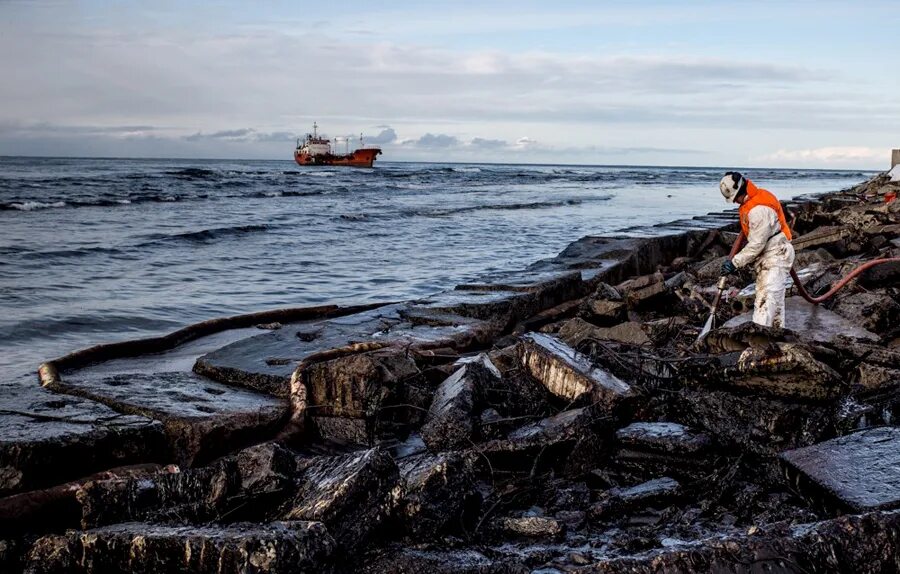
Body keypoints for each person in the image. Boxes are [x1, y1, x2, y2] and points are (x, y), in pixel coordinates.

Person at [718, 171, 795, 328]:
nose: (734, 203)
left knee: (764, 304)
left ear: (740, 191)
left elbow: (756, 245)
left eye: (734, 199)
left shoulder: (758, 210)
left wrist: (734, 263)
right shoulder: (757, 197)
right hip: (774, 253)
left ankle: (758, 344)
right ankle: (775, 339)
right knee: (775, 307)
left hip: (776, 256)